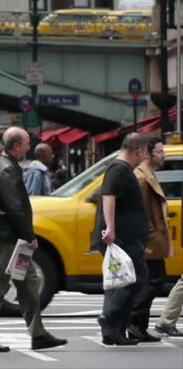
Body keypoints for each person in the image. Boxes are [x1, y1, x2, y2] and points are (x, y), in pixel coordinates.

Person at [0, 127, 67, 353]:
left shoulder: (4, 166)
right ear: (16, 147)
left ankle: (38, 334)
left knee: (29, 285)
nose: (29, 147)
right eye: (26, 143)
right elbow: (15, 208)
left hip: (12, 240)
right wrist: (29, 236)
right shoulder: (6, 170)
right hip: (8, 240)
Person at [90, 133, 149, 346]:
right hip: (121, 238)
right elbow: (108, 197)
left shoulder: (123, 170)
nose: (146, 158)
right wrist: (111, 228)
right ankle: (110, 317)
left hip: (125, 237)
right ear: (139, 149)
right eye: (146, 152)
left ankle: (114, 331)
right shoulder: (119, 169)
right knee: (136, 278)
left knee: (118, 280)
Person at [128, 137, 171, 342]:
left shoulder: (148, 175)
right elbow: (141, 211)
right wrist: (144, 240)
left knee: (152, 280)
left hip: (153, 238)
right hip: (149, 239)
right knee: (154, 281)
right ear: (148, 153)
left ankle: (139, 325)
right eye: (160, 151)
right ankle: (134, 320)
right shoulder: (142, 178)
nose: (164, 155)